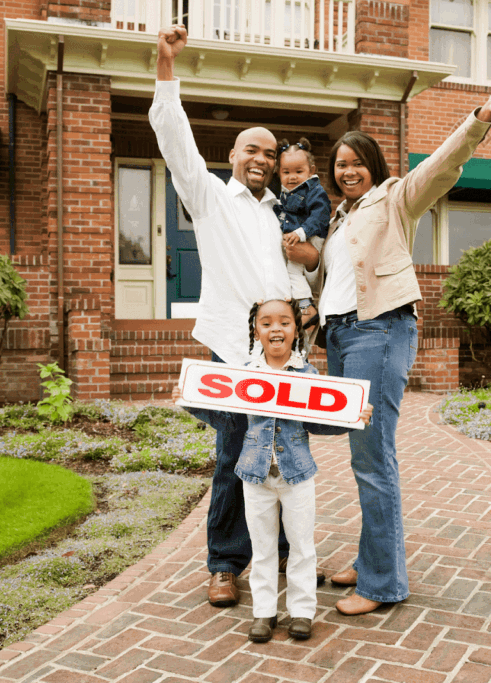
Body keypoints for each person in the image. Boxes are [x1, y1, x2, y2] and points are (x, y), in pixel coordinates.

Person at [314, 81, 491, 616]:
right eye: (340, 165)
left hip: (378, 330)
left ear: (374, 164)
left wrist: (480, 117)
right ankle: (372, 558)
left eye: (356, 162)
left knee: (374, 456)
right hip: (343, 337)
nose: (348, 171)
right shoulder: (337, 217)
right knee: (362, 454)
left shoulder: (396, 198)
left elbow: (441, 166)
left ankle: (382, 583)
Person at [148, 25, 321, 608]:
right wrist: (166, 67)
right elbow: (174, 139)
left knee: (285, 454)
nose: (263, 160)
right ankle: (225, 562)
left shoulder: (281, 213)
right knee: (234, 455)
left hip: (287, 350)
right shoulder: (211, 198)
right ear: (232, 155)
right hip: (236, 347)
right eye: (253, 149)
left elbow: (297, 277)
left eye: (271, 154)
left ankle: (283, 556)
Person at [174, 299, 372, 643]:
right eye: (266, 323)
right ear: (256, 331)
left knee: (301, 547)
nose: (275, 328)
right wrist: (191, 400)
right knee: (264, 549)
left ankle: (301, 612)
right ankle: (264, 613)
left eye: (284, 322)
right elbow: (227, 421)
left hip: (297, 476)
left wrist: (352, 419)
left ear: (296, 330)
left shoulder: (307, 375)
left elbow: (319, 422)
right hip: (255, 476)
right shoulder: (244, 374)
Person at [273, 138, 332, 349]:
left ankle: (307, 308)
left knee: (292, 271)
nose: (292, 177)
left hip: (312, 239)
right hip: (300, 238)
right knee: (291, 273)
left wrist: (300, 233)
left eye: (298, 171)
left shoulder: (314, 191)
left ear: (311, 170)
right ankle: (302, 308)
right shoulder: (284, 194)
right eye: (286, 172)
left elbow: (320, 216)